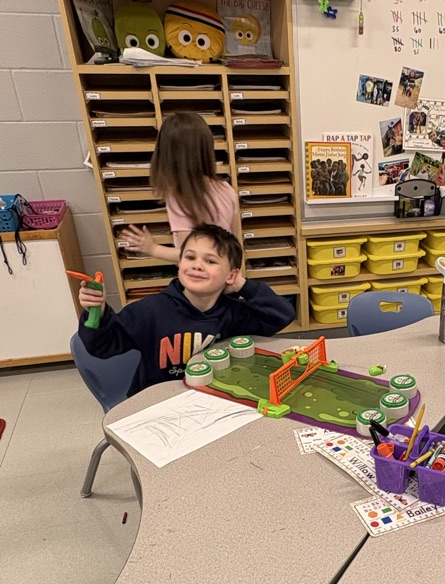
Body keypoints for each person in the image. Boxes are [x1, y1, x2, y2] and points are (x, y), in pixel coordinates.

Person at [77, 224, 294, 396]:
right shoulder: (150, 311)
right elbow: (101, 347)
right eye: (190, 257)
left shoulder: (234, 314)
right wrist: (96, 311)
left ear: (231, 275)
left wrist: (243, 286)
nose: (197, 265)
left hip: (214, 399)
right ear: (180, 264)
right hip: (157, 404)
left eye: (210, 261)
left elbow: (282, 315)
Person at [119, 113, 240, 265]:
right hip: (225, 274)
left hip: (202, 281)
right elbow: (234, 243)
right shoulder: (226, 188)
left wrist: (152, 248)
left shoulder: (180, 198)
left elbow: (191, 255)